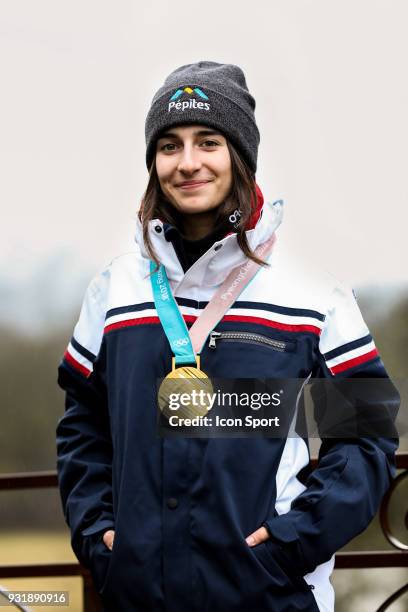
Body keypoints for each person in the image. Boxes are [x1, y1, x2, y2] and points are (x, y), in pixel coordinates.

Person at [56, 61, 398, 612]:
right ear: (153, 163)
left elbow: (366, 436)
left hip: (269, 595)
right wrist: (101, 541)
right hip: (141, 596)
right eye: (169, 146)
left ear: (239, 155)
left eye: (208, 142)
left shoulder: (311, 292)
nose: (188, 163)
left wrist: (290, 545)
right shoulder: (115, 289)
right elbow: (84, 425)